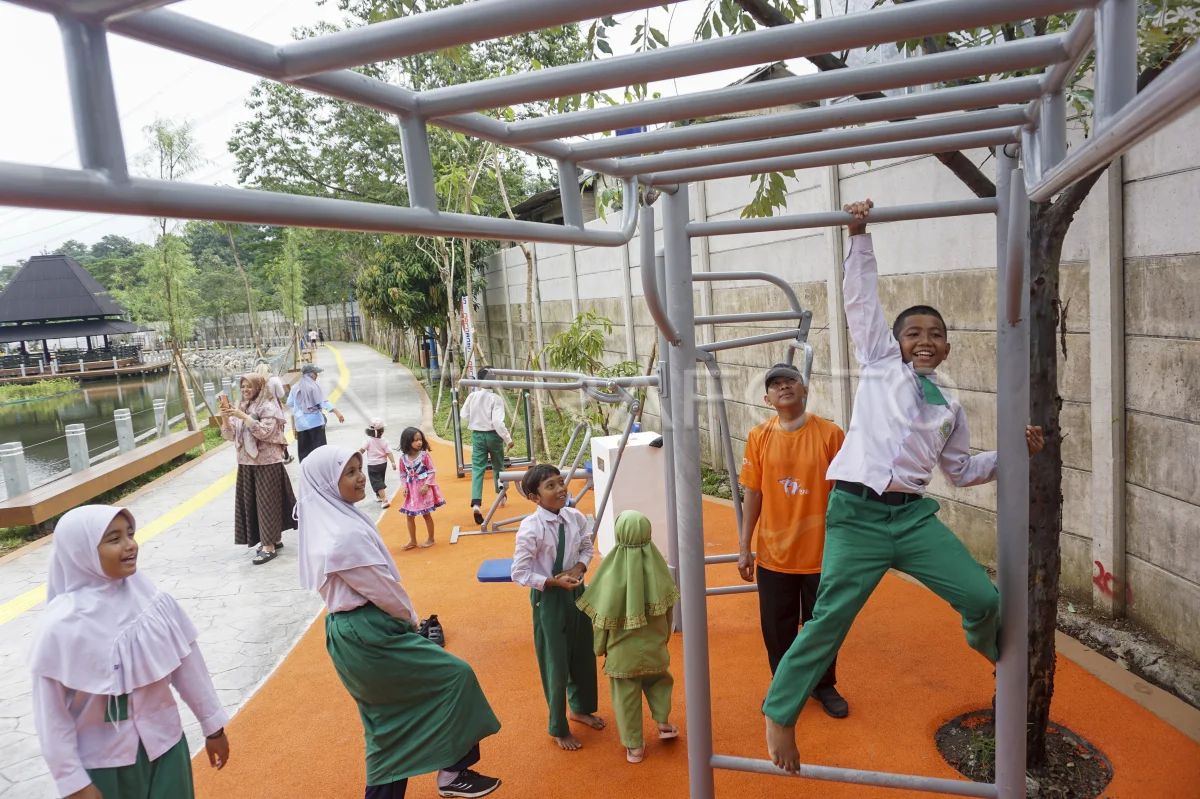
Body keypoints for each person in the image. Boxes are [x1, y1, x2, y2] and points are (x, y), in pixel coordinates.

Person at [762, 199, 1046, 773]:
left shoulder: (949, 405)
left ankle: (989, 648)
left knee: (983, 599)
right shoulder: (878, 363)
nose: (925, 339)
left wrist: (1015, 453)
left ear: (947, 348)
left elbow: (961, 471)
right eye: (913, 332)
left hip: (913, 519)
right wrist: (859, 235)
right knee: (829, 619)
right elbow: (861, 301)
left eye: (935, 334)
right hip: (857, 515)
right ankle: (781, 712)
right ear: (894, 342)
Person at [297, 446, 502, 798]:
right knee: (455, 676)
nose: (361, 477)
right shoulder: (342, 535)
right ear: (327, 483)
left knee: (388, 723)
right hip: (368, 630)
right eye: (349, 472)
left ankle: (450, 773)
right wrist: (411, 620)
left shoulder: (328, 522)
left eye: (359, 468)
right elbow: (383, 590)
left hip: (351, 633)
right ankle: (453, 771)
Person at [30, 505, 230, 799]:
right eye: (114, 539)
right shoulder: (59, 626)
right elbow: (51, 714)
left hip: (166, 748)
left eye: (131, 534)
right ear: (80, 552)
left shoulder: (153, 603)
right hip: (102, 767)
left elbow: (189, 669)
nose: (130, 545)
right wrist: (72, 781)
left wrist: (213, 727)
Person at [737, 363, 848, 718]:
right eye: (776, 384)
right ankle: (783, 685)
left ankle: (823, 684)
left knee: (822, 626)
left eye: (791, 381)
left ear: (804, 390)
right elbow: (753, 494)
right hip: (774, 555)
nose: (784, 387)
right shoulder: (759, 437)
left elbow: (844, 494)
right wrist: (744, 547)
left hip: (821, 554)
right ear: (767, 398)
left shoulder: (831, 434)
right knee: (777, 628)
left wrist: (846, 548)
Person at [510, 464, 604, 751]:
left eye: (560, 482)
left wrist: (577, 569)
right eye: (550, 486)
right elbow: (519, 573)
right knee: (555, 662)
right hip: (549, 597)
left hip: (576, 592)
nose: (561, 489)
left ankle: (580, 709)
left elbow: (586, 548)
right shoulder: (531, 528)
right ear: (534, 497)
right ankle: (559, 727)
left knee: (583, 653)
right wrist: (553, 581)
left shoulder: (575, 517)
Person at [576, 511, 679, 764]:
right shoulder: (659, 567)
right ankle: (663, 722)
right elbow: (669, 610)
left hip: (621, 654)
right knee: (659, 681)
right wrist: (664, 638)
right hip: (654, 647)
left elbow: (601, 619)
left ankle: (634, 747)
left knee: (625, 696)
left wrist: (600, 648)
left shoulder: (611, 571)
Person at [221, 372, 297, 565]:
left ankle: (268, 547)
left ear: (259, 387)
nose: (246, 390)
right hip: (246, 463)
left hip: (267, 463)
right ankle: (273, 539)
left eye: (249, 386)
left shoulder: (268, 406)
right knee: (255, 505)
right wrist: (226, 418)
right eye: (243, 387)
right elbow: (230, 436)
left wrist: (242, 416)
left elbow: (265, 432)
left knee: (267, 504)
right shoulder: (243, 405)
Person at [459, 366, 513, 525]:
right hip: (493, 435)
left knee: (477, 469)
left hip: (477, 435)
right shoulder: (496, 399)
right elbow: (497, 422)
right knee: (498, 465)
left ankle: (476, 503)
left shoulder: (472, 396)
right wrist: (508, 439)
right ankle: (501, 495)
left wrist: (476, 420)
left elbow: (464, 415)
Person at [397, 427, 445, 550]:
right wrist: (404, 486)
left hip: (423, 490)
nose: (419, 442)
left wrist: (426, 485)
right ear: (407, 442)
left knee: (426, 514)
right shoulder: (403, 459)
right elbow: (402, 474)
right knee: (409, 516)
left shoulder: (424, 456)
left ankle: (431, 538)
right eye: (415, 440)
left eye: (420, 440)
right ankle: (413, 540)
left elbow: (432, 471)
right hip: (411, 491)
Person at [288, 362, 345, 462]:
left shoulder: (294, 388)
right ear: (310, 374)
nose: (317, 376)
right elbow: (323, 402)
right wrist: (337, 413)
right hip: (315, 423)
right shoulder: (313, 387)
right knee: (320, 451)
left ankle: (306, 469)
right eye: (315, 373)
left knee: (304, 453)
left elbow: (290, 403)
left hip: (301, 425)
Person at [255, 358, 293, 464]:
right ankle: (285, 456)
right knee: (279, 433)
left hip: (259, 411)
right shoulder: (274, 379)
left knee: (263, 434)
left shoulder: (253, 380)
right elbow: (281, 394)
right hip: (274, 410)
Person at [360, 418, 398, 508]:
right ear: (382, 431)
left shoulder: (368, 440)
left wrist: (355, 456)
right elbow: (389, 452)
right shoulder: (384, 440)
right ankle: (378, 496)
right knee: (380, 479)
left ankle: (384, 499)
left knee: (376, 481)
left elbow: (362, 450)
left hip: (372, 465)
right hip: (383, 464)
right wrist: (393, 462)